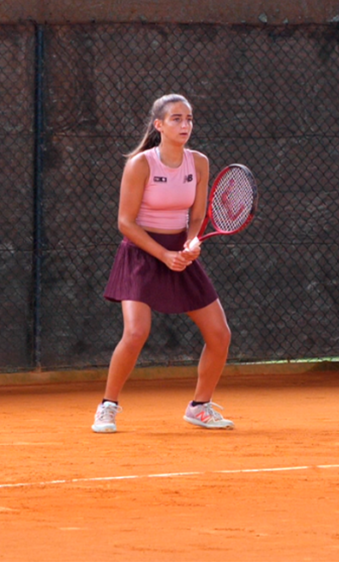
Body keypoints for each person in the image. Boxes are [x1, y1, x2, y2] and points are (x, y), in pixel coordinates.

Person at [92, 94, 235, 433]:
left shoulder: (199, 163)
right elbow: (125, 223)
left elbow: (197, 216)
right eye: (176, 119)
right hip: (141, 252)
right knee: (136, 332)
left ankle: (200, 406)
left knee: (220, 334)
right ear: (159, 125)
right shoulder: (140, 164)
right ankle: (108, 406)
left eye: (189, 119)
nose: (185, 125)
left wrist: (190, 244)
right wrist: (164, 255)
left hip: (178, 252)